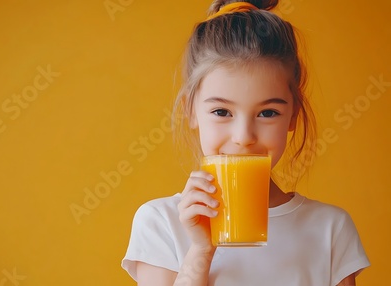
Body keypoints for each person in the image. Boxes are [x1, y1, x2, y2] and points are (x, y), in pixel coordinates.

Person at [121, 0, 370, 285]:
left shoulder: (330, 229)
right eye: (221, 112)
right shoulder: (160, 223)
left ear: (292, 116)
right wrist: (200, 252)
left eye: (267, 113)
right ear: (191, 111)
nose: (244, 137)